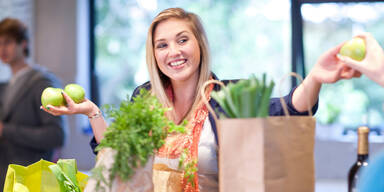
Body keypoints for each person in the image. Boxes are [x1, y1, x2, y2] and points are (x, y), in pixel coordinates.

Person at [42, 8, 360, 191]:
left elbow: (289, 110)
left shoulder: (230, 96)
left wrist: (316, 77)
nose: (174, 52)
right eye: (162, 45)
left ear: (199, 45)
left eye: (182, 40)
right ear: (153, 54)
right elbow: (119, 155)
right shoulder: (145, 96)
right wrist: (92, 112)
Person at [0, 18, 67, 189]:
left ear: (23, 44)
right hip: (7, 176)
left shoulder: (43, 82)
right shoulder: (5, 86)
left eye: (7, 42)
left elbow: (56, 135)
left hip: (32, 176)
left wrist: (5, 130)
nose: (2, 49)